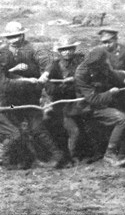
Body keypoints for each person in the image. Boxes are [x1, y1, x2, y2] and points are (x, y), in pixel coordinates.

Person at [0, 42, 64, 170]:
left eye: (16, 35)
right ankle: (26, 160)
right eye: (10, 37)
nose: (13, 40)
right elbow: (4, 75)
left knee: (36, 128)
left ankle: (57, 156)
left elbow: (51, 60)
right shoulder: (4, 52)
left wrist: (44, 75)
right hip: (12, 101)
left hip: (30, 96)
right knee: (18, 131)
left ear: (22, 35)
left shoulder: (33, 49)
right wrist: (18, 75)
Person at [73, 48, 125, 167]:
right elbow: (92, 99)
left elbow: (112, 74)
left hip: (104, 102)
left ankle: (121, 151)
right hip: (90, 108)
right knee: (122, 119)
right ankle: (109, 155)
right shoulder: (81, 73)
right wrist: (110, 93)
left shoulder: (101, 64)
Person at [43, 35, 89, 163]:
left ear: (74, 49)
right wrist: (65, 85)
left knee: (87, 127)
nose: (67, 52)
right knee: (74, 131)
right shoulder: (54, 66)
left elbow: (87, 77)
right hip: (62, 105)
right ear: (59, 51)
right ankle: (72, 157)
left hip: (79, 102)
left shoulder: (80, 62)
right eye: (63, 50)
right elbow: (50, 89)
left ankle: (85, 153)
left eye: (69, 49)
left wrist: (74, 80)